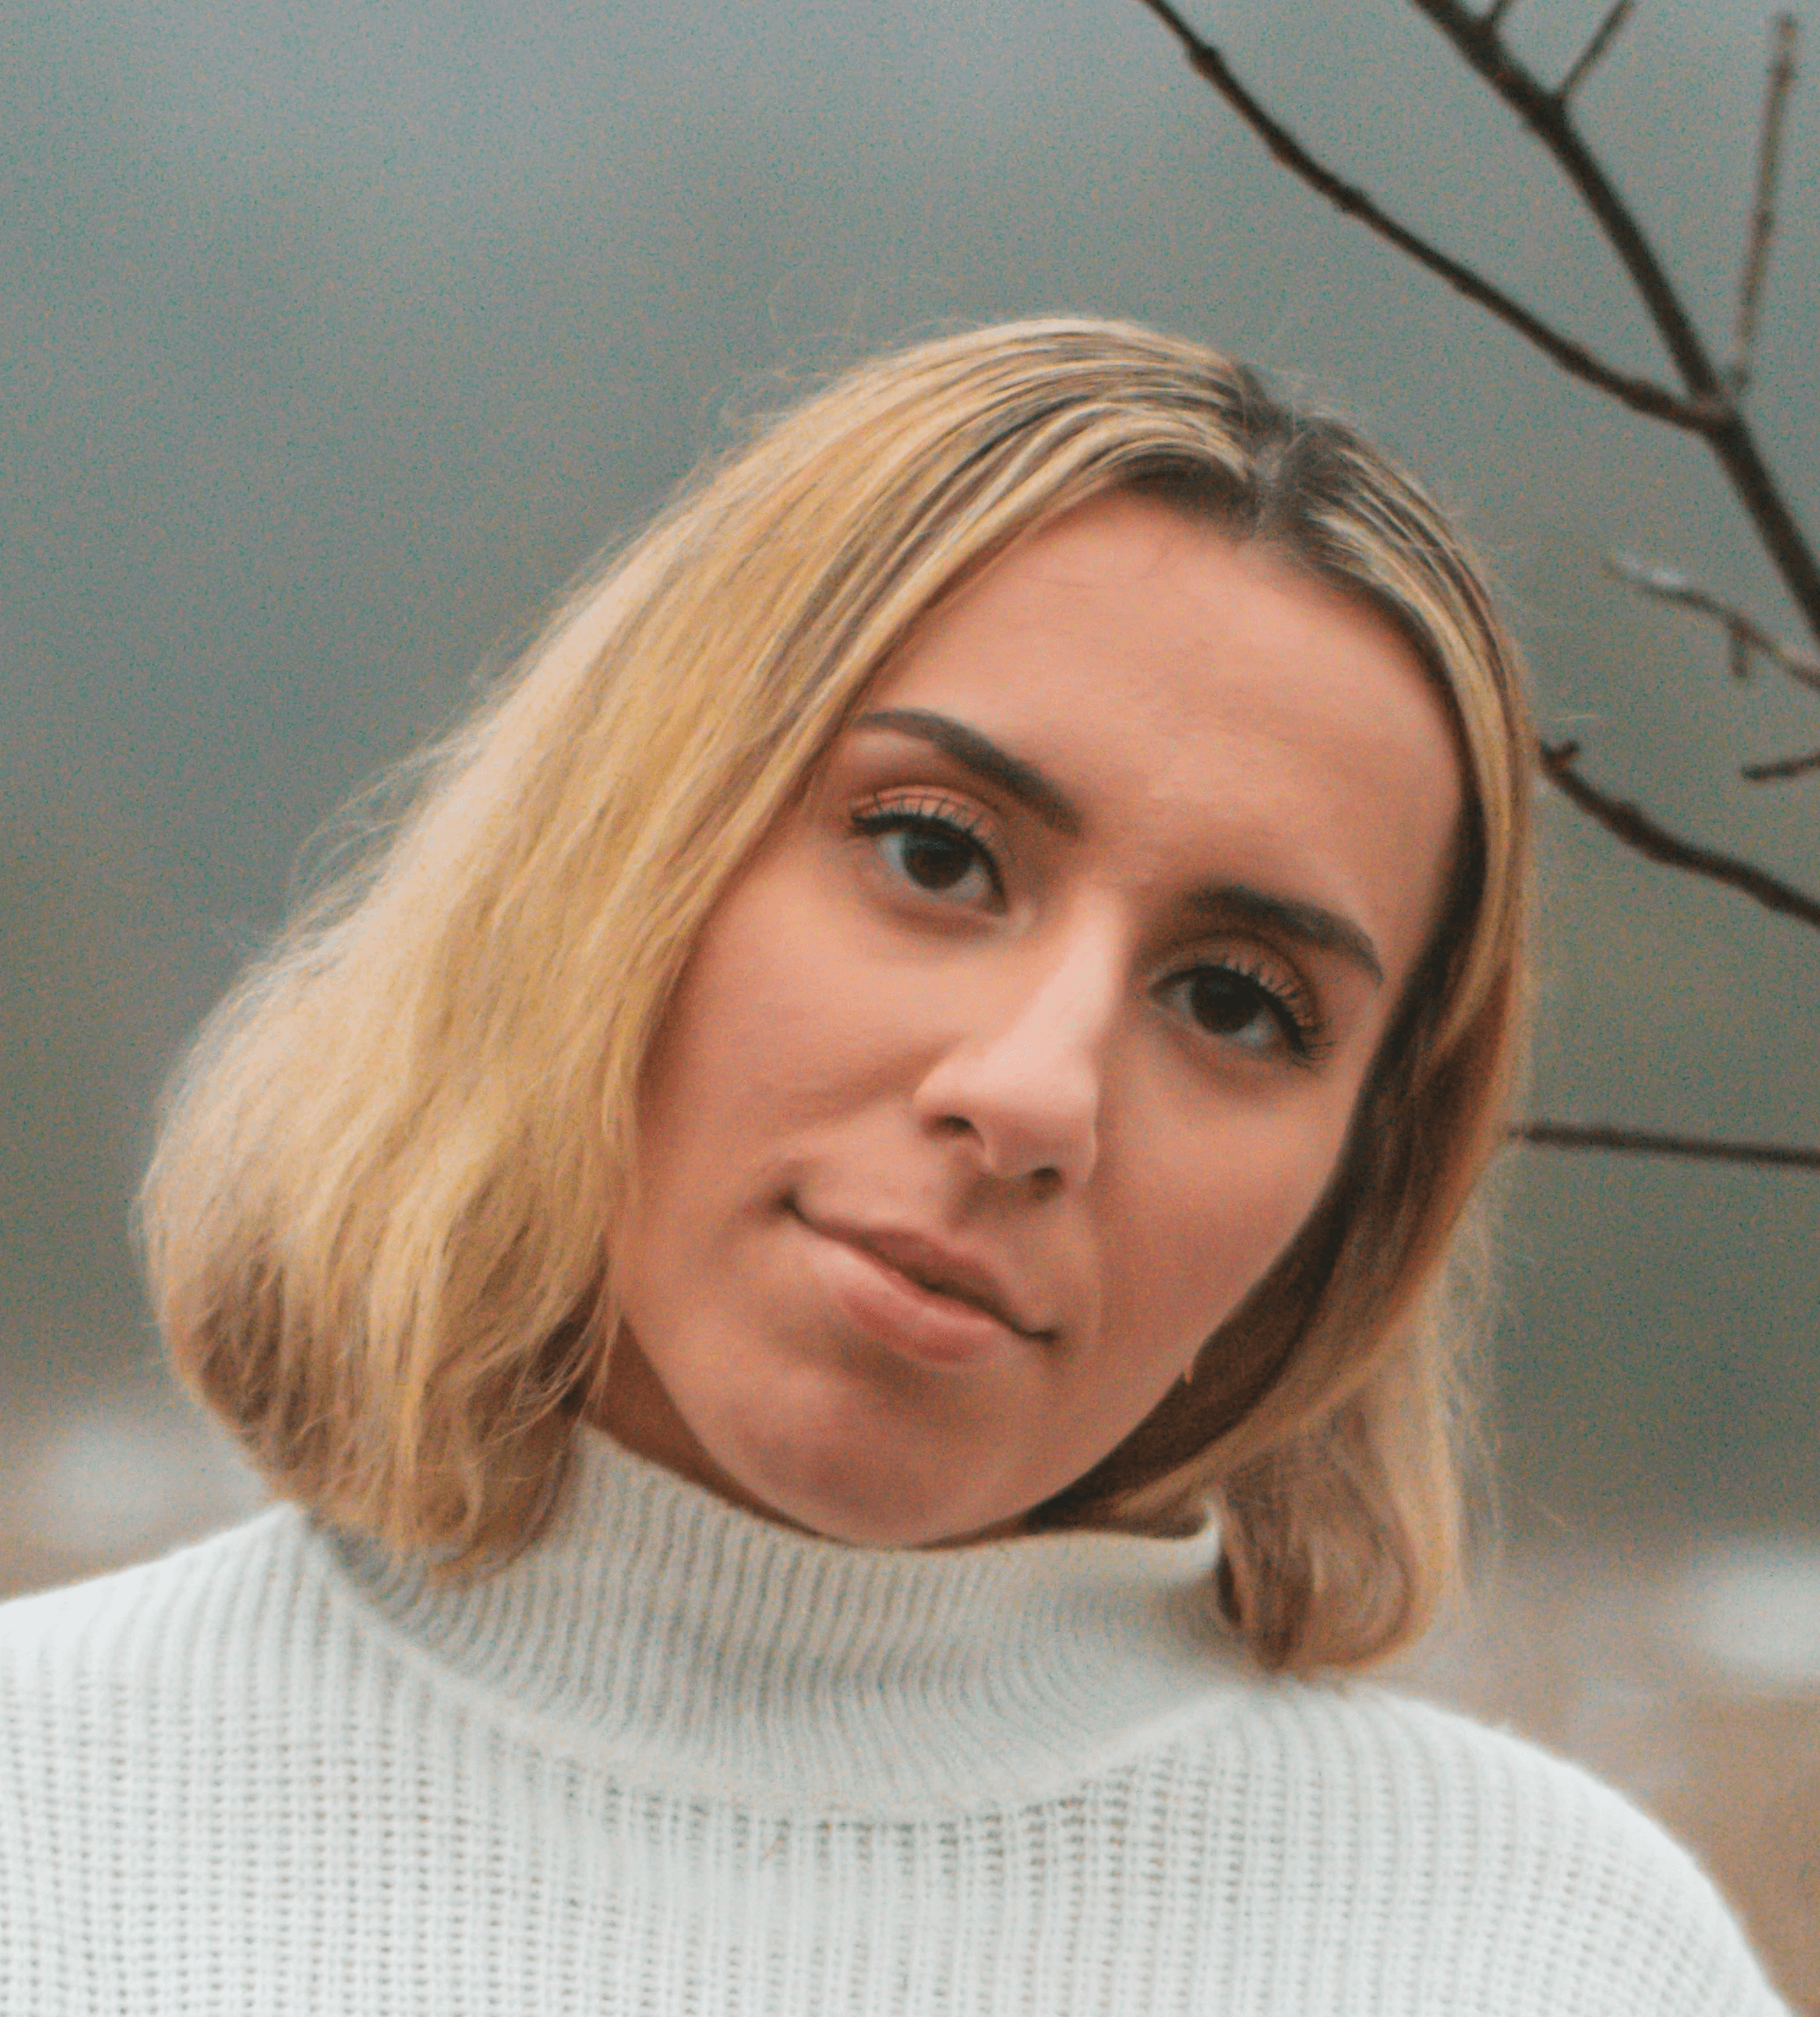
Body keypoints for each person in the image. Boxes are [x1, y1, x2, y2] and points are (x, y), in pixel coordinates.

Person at [0, 318, 1786, 2014]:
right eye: (932, 853)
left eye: (1235, 1002)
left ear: (1358, 1193)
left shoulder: (1543, 1955)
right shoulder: (53, 1831)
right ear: (624, 845)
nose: (1031, 1095)